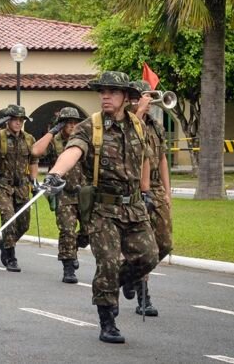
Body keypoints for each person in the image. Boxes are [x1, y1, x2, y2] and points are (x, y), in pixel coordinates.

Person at [40, 71, 158, 344]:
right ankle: (108, 320)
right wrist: (55, 174)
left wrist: (146, 191)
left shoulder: (138, 126)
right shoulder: (89, 127)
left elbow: (145, 159)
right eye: (103, 91)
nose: (106, 96)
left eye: (113, 92)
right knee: (107, 263)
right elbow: (74, 151)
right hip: (103, 208)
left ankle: (125, 280)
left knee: (149, 257)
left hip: (134, 206)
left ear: (126, 98)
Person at [130, 81, 172, 316]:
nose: (147, 100)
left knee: (164, 244)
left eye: (148, 96)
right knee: (143, 245)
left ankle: (129, 274)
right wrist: (139, 113)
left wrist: (167, 191)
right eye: (141, 96)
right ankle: (143, 294)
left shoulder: (156, 126)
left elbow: (163, 158)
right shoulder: (126, 122)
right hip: (134, 188)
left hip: (156, 187)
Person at [32, 106, 86, 283]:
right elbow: (36, 151)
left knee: (91, 231)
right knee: (67, 230)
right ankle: (68, 266)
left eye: (74, 122)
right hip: (63, 192)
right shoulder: (54, 142)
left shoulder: (85, 140)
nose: (71, 126)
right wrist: (52, 132)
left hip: (85, 193)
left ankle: (74, 248)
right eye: (66, 123)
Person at [0, 104, 39, 272]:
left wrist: (34, 181)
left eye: (21, 120)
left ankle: (6, 242)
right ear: (8, 121)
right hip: (3, 184)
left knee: (23, 224)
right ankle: (10, 256)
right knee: (8, 218)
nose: (18, 123)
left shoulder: (29, 139)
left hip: (22, 185)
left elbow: (34, 161)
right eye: (14, 120)